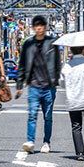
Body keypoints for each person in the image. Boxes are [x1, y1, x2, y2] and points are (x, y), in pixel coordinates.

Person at [15, 15, 60, 154]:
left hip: (49, 86)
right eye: (36, 26)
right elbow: (22, 65)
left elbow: (57, 64)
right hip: (34, 86)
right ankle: (30, 141)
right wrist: (19, 85)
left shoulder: (52, 43)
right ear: (33, 28)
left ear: (45, 27)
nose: (39, 28)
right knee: (32, 114)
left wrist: (55, 79)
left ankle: (46, 142)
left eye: (41, 26)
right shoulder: (28, 44)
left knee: (48, 116)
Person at [59, 46, 84, 161]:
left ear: (71, 51)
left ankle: (80, 153)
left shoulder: (67, 66)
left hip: (73, 100)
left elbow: (61, 83)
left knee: (76, 126)